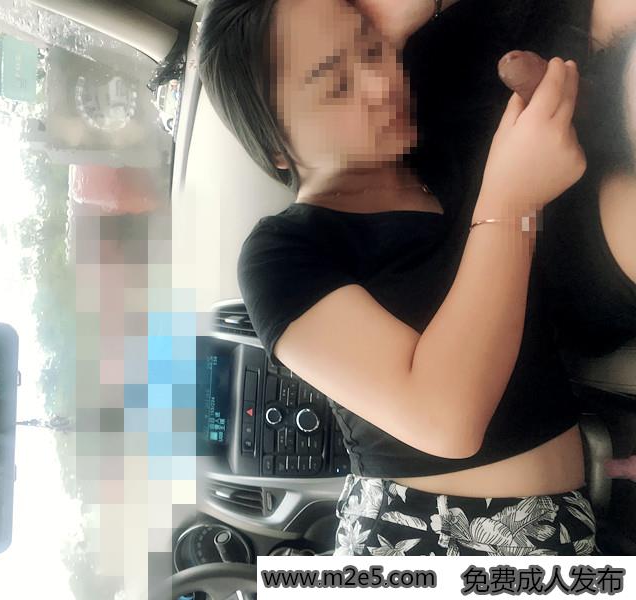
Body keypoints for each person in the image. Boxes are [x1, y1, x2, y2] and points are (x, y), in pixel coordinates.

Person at [197, 0, 636, 556]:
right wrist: (512, 199)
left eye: (370, 47)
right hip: (420, 543)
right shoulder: (281, 256)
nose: (381, 81)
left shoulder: (433, 141)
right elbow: (444, 418)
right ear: (276, 147)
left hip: (550, 529)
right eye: (337, 85)